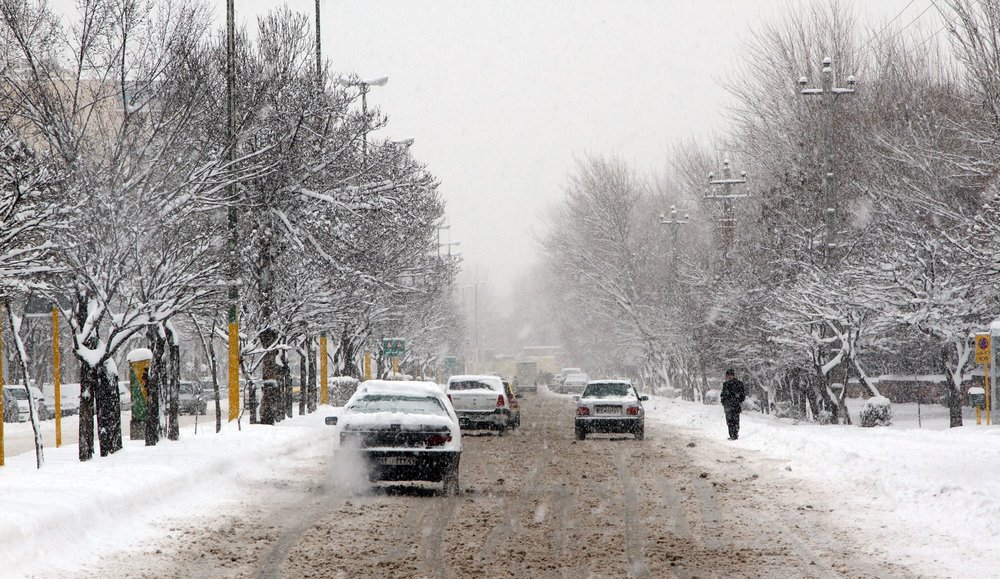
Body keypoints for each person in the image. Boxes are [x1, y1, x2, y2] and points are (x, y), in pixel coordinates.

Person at [720, 369, 746, 440]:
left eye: (730, 375)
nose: (729, 376)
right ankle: (732, 435)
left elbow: (742, 395)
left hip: (735, 406)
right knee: (729, 421)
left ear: (733, 375)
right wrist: (723, 402)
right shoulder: (725, 384)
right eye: (727, 375)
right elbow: (723, 395)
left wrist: (737, 401)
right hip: (728, 407)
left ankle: (735, 435)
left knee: (735, 421)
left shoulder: (738, 383)